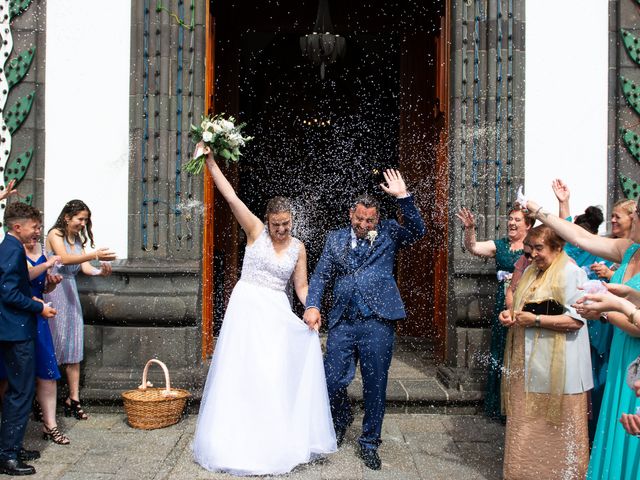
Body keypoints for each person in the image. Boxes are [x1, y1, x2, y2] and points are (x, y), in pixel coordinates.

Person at [192, 146, 336, 475]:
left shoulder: (298, 248)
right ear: (267, 220)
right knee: (241, 370)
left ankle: (273, 438)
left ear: (292, 221)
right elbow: (230, 197)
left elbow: (301, 286)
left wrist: (311, 307)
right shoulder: (255, 230)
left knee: (272, 373)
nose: (281, 230)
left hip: (275, 311)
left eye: (286, 224)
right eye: (276, 224)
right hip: (246, 309)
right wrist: (211, 162)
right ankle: (235, 439)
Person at [304, 170, 426, 470]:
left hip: (378, 320)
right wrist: (312, 306)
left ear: (377, 219)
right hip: (343, 321)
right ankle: (340, 417)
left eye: (369, 221)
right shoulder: (334, 239)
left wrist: (403, 198)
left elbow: (418, 230)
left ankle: (370, 442)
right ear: (351, 214)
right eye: (359, 219)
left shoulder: (389, 232)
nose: (363, 225)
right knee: (331, 380)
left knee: (375, 384)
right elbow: (320, 277)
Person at [520, 197, 640, 480]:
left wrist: (606, 310)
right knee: (615, 421)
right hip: (620, 348)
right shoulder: (629, 250)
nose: (632, 218)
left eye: (636, 213)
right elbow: (579, 237)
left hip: (635, 351)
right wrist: (538, 210)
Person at [498, 225, 592, 479]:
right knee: (526, 429)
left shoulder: (571, 273)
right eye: (530, 250)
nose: (533, 255)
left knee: (558, 432)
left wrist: (536, 321)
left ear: (557, 247)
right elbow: (522, 307)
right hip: (527, 364)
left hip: (561, 367)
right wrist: (510, 315)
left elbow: (576, 321)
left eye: (540, 248)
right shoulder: (530, 271)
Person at [455, 205, 534, 420]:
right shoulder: (500, 245)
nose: (511, 223)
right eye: (510, 218)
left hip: (526, 300)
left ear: (528, 225)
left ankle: (521, 406)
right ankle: (500, 406)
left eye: (517, 219)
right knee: (501, 348)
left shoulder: (533, 247)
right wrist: (470, 229)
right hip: (503, 301)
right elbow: (473, 248)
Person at [551, 178, 612, 441]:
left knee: (593, 378)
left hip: (599, 324)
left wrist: (609, 275)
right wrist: (563, 204)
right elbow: (570, 233)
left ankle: (591, 429)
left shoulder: (609, 255)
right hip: (580, 319)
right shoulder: (584, 248)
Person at [44, 200, 114, 421]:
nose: (83, 224)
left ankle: (73, 399)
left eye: (85, 220)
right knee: (54, 344)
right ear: (67, 217)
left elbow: (84, 268)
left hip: (71, 292)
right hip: (54, 291)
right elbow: (64, 259)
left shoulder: (78, 240)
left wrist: (100, 273)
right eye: (80, 219)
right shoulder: (55, 234)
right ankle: (44, 400)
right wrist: (94, 255)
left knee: (73, 346)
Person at [0, 202, 56, 476]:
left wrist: (30, 296)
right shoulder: (11, 251)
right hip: (16, 331)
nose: (38, 231)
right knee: (20, 392)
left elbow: (13, 290)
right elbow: (7, 293)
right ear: (17, 226)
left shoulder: (10, 248)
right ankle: (8, 454)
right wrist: (38, 307)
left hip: (13, 327)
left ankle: (13, 446)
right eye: (34, 227)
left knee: (20, 391)